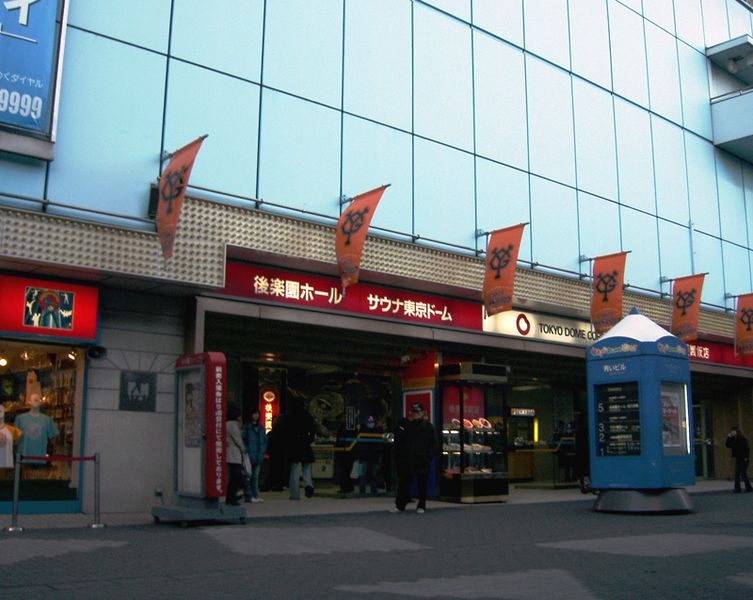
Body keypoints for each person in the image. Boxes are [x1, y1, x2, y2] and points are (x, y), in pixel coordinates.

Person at [391, 402, 437, 514]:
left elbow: (434, 444)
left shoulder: (428, 427)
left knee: (422, 484)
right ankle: (400, 505)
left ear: (422, 413)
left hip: (421, 459)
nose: (415, 414)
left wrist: (428, 457)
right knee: (404, 483)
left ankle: (421, 505)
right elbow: (400, 441)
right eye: (414, 412)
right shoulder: (407, 426)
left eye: (417, 412)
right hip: (409, 459)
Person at [283, 399, 316, 500]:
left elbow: (286, 432)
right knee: (306, 467)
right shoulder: (307, 415)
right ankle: (308, 484)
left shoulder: (290, 416)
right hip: (305, 444)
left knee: (295, 470)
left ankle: (295, 494)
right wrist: (309, 440)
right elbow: (312, 430)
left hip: (294, 445)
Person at [14, 392, 58, 466]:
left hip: (41, 460)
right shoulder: (20, 419)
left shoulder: (47, 420)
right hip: (23, 460)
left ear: (40, 402)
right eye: (33, 398)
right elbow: (15, 440)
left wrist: (50, 458)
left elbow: (53, 440)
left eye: (38, 398)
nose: (36, 399)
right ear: (29, 401)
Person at [242, 408, 267, 503]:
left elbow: (264, 440)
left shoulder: (261, 427)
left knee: (256, 476)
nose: (256, 415)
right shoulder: (247, 427)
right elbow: (242, 438)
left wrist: (263, 451)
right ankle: (249, 495)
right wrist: (246, 450)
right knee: (249, 476)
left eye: (257, 414)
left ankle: (255, 495)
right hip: (249, 455)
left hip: (259, 455)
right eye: (254, 414)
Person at [356, 414, 383, 496]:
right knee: (373, 473)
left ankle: (362, 490)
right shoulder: (377, 429)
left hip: (364, 454)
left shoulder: (362, 429)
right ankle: (373, 490)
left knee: (362, 473)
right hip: (374, 454)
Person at [225, 405, 245, 506]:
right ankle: (232, 497)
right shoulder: (233, 425)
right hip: (235, 453)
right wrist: (243, 450)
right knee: (235, 477)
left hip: (229, 452)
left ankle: (230, 496)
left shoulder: (226, 424)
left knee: (232, 477)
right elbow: (238, 440)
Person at [725, 426, 753, 493]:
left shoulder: (742, 439)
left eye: (733, 431)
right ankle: (738, 489)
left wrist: (746, 457)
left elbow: (747, 449)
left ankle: (748, 488)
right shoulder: (733, 439)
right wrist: (729, 437)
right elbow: (727, 445)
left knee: (743, 473)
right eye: (731, 431)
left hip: (743, 458)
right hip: (738, 458)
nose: (732, 432)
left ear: (736, 431)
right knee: (737, 474)